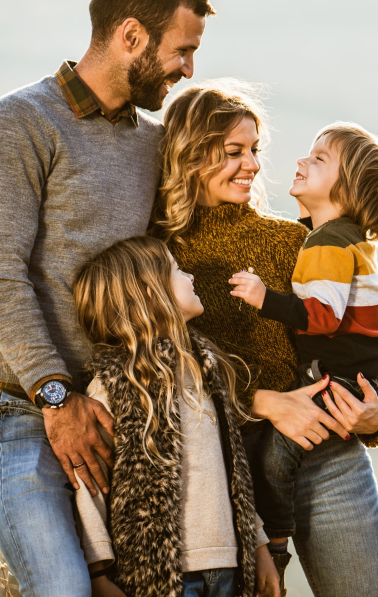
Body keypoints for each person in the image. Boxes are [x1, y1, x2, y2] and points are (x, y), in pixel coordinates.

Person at [0, 0, 213, 596]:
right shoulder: (19, 122)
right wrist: (55, 398)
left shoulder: (152, 145)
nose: (189, 69)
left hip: (114, 412)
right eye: (182, 50)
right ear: (131, 36)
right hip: (20, 412)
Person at [151, 82, 378, 596]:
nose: (254, 165)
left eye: (254, 150)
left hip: (332, 461)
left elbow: (358, 335)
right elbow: (164, 373)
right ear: (190, 155)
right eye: (234, 152)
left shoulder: (295, 241)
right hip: (239, 477)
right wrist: (266, 403)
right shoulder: (160, 259)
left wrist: (376, 415)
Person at [229, 121, 378, 563]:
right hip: (348, 373)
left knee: (274, 460)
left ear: (346, 192)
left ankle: (276, 544)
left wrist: (263, 298)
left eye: (318, 158)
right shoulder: (337, 240)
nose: (301, 161)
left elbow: (323, 319)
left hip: (341, 383)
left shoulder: (326, 243)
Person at [71, 236, 280, 597]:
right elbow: (89, 484)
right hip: (163, 577)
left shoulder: (206, 369)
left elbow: (235, 472)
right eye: (177, 270)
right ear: (151, 294)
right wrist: (97, 571)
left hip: (230, 567)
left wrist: (259, 544)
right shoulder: (116, 385)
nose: (191, 276)